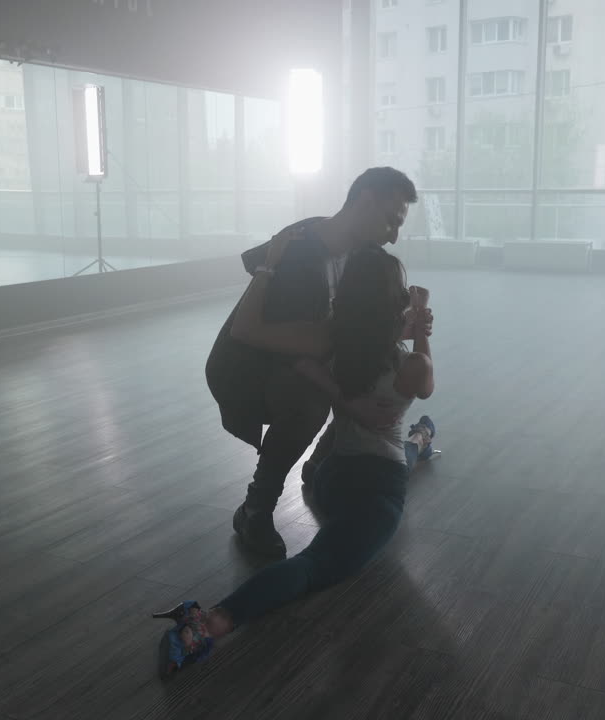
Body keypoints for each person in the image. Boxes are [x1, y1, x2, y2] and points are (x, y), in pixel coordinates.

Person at [155, 241, 437, 678]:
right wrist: (420, 321)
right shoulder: (413, 365)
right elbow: (424, 378)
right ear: (395, 304)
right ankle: (211, 621)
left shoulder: (331, 348)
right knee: (315, 565)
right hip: (377, 494)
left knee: (402, 454)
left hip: (332, 476)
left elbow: (361, 335)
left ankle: (420, 434)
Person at [205, 167, 421, 557]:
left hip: (300, 353)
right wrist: (353, 402)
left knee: (370, 365)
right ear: (366, 201)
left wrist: (404, 328)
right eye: (392, 221)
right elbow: (309, 348)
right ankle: (256, 507)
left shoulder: (357, 252)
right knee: (310, 402)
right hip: (250, 368)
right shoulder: (300, 255)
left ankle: (321, 463)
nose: (394, 235)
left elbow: (347, 333)